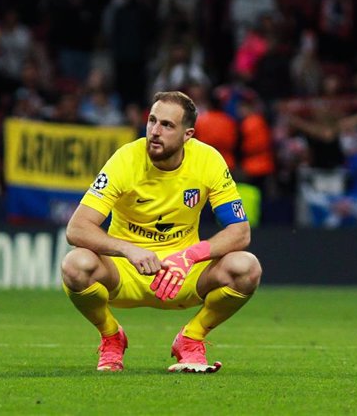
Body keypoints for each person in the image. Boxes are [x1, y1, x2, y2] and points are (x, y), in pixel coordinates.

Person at [61, 91, 262, 373]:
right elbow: (77, 227)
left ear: (187, 135)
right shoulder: (126, 159)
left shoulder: (208, 161)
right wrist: (129, 250)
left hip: (182, 274)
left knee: (247, 267)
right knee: (75, 265)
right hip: (125, 271)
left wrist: (190, 256)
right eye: (152, 121)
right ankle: (111, 336)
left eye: (167, 125)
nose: (155, 131)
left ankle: (192, 338)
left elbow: (240, 233)